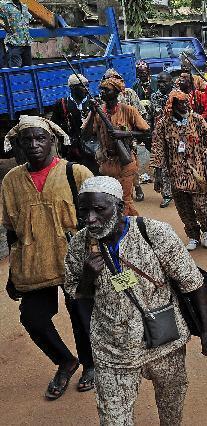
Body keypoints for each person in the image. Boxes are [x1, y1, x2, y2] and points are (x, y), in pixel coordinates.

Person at [63, 176, 207, 425]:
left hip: (164, 343)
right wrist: (88, 277)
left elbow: (193, 283)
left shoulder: (154, 234)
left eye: (99, 210)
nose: (90, 219)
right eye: (84, 211)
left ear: (120, 208)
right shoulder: (80, 246)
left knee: (171, 409)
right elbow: (75, 293)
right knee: (113, 419)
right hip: (112, 350)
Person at [2, 116, 95, 399]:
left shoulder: (76, 174)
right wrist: (13, 274)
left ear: (52, 141)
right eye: (27, 140)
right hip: (34, 265)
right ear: (18, 144)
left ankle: (91, 365)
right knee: (33, 319)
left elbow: (100, 221)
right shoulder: (12, 180)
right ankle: (65, 361)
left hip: (76, 264)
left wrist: (95, 259)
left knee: (82, 318)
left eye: (40, 138)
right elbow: (11, 229)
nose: (34, 145)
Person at [149, 90, 207, 250]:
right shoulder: (163, 124)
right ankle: (193, 235)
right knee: (183, 207)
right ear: (173, 105)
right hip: (176, 173)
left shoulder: (197, 120)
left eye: (186, 102)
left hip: (197, 172)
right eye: (181, 103)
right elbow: (158, 148)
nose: (185, 105)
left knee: (201, 206)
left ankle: (206, 230)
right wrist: (157, 174)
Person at [82, 76, 150, 216]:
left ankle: (131, 230)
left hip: (125, 162)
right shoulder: (98, 111)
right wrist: (93, 113)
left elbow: (146, 133)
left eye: (107, 90)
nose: (103, 93)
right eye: (102, 90)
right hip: (107, 162)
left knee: (125, 201)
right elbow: (86, 135)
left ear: (117, 92)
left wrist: (123, 134)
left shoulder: (129, 110)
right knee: (110, 200)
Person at [50, 74, 98, 172]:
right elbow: (54, 126)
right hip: (72, 152)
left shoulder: (94, 103)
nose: (86, 89)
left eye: (87, 86)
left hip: (93, 150)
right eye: (83, 86)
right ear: (72, 88)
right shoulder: (61, 104)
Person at [149, 71, 175, 208]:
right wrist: (151, 133)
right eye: (159, 81)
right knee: (162, 165)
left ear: (171, 82)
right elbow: (152, 116)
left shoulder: (178, 96)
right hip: (160, 136)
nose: (161, 84)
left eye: (164, 81)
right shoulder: (154, 97)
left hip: (176, 136)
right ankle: (166, 195)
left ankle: (180, 192)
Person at [0, 0, 33, 67]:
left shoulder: (24, 6)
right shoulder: (5, 5)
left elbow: (29, 19)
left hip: (26, 43)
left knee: (28, 68)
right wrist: (4, 26)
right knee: (15, 68)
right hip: (14, 43)